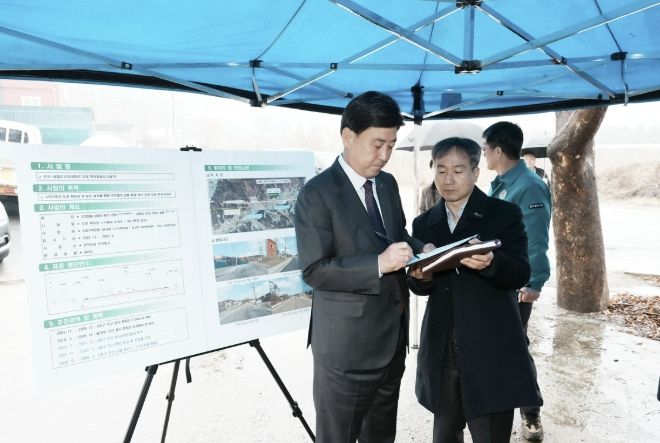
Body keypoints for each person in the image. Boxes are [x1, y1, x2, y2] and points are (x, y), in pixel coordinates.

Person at [294, 91, 427, 443]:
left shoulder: (387, 184)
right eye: (377, 144)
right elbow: (315, 270)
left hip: (392, 339)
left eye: (391, 145)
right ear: (348, 136)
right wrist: (379, 264)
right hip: (346, 351)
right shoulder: (317, 194)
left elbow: (398, 235)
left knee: (381, 436)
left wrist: (423, 250)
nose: (384, 156)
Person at [408, 137, 542, 443]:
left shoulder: (503, 214)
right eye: (441, 170)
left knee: (490, 434)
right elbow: (418, 285)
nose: (448, 180)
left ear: (476, 172)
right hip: (443, 349)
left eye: (458, 170)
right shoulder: (424, 224)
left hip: (490, 349)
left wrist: (492, 263)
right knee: (445, 434)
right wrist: (420, 277)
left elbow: (521, 272)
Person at [482, 121, 552, 441]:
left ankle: (531, 411)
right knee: (504, 345)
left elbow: (536, 239)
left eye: (485, 148)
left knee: (516, 347)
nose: (483, 153)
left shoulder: (529, 186)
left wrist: (534, 281)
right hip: (498, 279)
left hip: (517, 283)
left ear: (498, 150)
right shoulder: (500, 184)